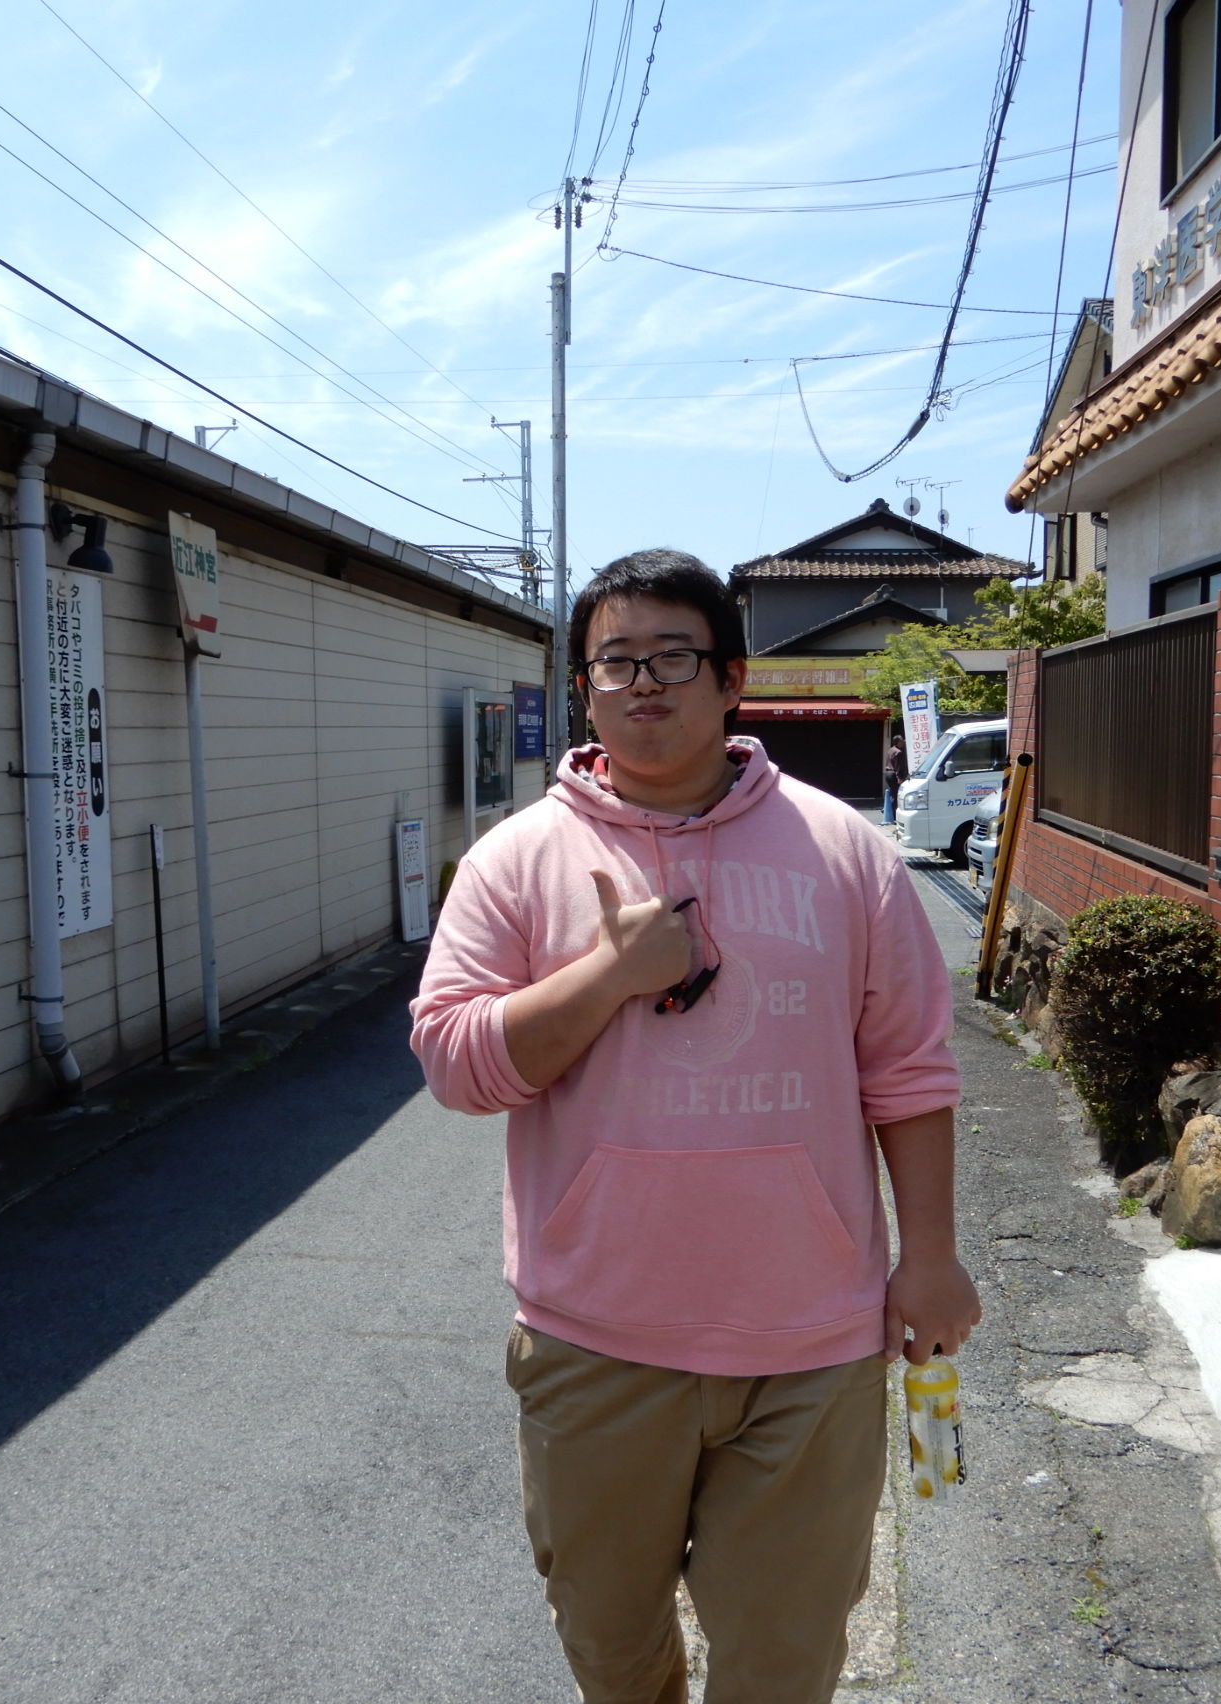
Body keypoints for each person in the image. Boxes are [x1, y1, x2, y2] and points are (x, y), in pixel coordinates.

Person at [411, 549, 980, 1704]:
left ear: (731, 681)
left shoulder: (846, 854)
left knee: (784, 1658)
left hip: (809, 1341)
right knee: (611, 1649)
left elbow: (909, 1071)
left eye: (673, 656)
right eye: (612, 661)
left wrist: (929, 1257)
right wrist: (608, 976)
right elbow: (457, 1068)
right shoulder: (516, 864)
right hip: (595, 1335)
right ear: (583, 688)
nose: (641, 684)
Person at [882, 731, 908, 825]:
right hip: (894, 774)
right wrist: (900, 778)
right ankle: (892, 816)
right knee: (896, 795)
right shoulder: (899, 752)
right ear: (897, 742)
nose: (903, 743)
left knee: (892, 793)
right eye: (901, 741)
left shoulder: (890, 750)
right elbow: (898, 767)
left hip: (887, 773)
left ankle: (887, 810)